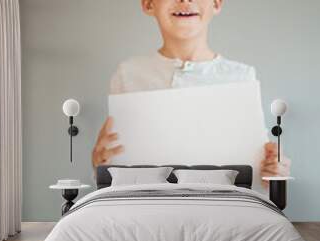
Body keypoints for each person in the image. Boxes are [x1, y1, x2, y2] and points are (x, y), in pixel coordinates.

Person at [92, 0, 291, 188]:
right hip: (149, 205)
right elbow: (113, 163)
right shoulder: (127, 74)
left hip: (221, 207)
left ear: (216, 3)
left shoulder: (242, 76)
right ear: (148, 4)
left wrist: (273, 171)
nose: (185, 0)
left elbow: (258, 170)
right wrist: (99, 163)